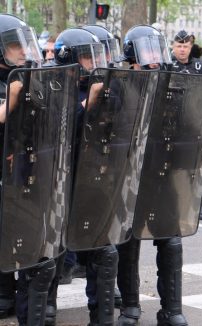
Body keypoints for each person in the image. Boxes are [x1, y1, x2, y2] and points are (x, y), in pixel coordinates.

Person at [116, 24, 188, 326]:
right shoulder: (119, 86)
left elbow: (192, 133)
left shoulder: (173, 86)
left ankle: (171, 310)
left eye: (157, 50)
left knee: (170, 242)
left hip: (162, 175)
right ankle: (130, 306)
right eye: (148, 51)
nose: (155, 58)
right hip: (129, 178)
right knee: (127, 242)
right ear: (133, 54)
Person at [51, 27, 116, 326]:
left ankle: (101, 316)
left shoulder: (102, 87)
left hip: (95, 177)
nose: (94, 63)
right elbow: (58, 128)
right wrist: (87, 102)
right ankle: (46, 307)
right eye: (88, 58)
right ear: (72, 58)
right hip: (61, 180)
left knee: (103, 251)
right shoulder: (54, 86)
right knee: (51, 250)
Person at [0, 14, 57, 326]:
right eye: (13, 46)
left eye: (24, 45)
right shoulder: (12, 85)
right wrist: (11, 99)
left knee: (39, 260)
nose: (23, 52)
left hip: (24, 181)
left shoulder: (31, 79)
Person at [171, 29, 202, 220]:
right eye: (179, 46)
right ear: (173, 46)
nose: (182, 50)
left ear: (191, 47)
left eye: (185, 46)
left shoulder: (201, 68)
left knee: (196, 167)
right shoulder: (167, 66)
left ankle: (201, 202)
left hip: (195, 124)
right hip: (171, 125)